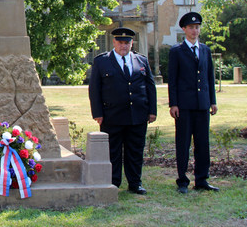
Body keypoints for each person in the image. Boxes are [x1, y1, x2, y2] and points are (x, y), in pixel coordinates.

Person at [89, 27, 157, 195]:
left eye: (127, 42)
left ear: (131, 43)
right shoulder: (102, 61)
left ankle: (135, 183)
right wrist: (97, 113)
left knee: (135, 150)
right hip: (112, 116)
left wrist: (152, 111)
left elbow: (150, 86)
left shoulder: (141, 61)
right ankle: (113, 182)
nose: (123, 46)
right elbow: (94, 89)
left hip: (138, 115)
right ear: (114, 42)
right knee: (113, 151)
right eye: (120, 42)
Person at [168, 12, 219, 194]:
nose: (194, 30)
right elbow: (172, 80)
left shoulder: (205, 50)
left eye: (197, 27)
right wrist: (173, 104)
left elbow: (209, 77)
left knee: (203, 143)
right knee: (183, 144)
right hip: (184, 106)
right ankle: (182, 180)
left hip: (202, 105)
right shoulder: (176, 51)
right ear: (184, 29)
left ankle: (202, 179)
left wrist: (212, 100)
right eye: (191, 27)